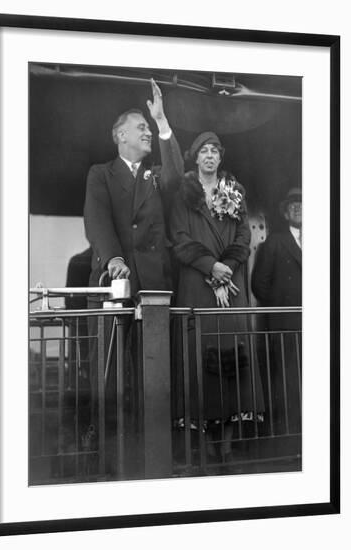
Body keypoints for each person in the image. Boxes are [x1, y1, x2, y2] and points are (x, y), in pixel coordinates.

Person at [170, 131, 264, 463]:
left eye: (215, 151)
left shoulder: (234, 191)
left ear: (220, 157)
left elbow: (242, 233)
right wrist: (211, 268)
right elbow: (179, 238)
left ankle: (227, 442)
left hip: (233, 282)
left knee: (232, 357)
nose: (210, 156)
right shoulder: (184, 191)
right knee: (201, 358)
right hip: (198, 281)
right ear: (194, 157)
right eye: (203, 151)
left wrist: (228, 268)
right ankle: (205, 445)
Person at [84, 79, 183, 297]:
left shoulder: (156, 174)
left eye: (149, 128)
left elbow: (175, 176)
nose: (148, 132)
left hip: (155, 282)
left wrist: (161, 120)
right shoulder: (100, 174)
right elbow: (97, 220)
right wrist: (114, 258)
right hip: (115, 278)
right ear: (121, 136)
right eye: (141, 127)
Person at [251, 188, 302, 440]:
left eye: (303, 202)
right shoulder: (274, 242)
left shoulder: (329, 239)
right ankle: (289, 439)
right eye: (292, 203)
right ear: (284, 212)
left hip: (321, 327)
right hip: (287, 327)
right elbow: (259, 285)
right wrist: (284, 307)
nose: (298, 207)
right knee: (290, 384)